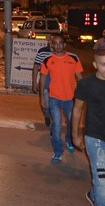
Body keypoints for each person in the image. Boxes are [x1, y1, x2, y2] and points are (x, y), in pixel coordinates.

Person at [72, 49, 105, 206]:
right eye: (103, 64)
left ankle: (93, 195)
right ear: (95, 65)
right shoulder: (86, 84)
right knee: (101, 181)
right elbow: (77, 109)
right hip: (95, 138)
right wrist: (75, 135)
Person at [39, 35, 83, 163]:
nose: (58, 45)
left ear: (64, 44)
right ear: (52, 44)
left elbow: (80, 77)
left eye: (60, 43)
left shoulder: (73, 58)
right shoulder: (47, 59)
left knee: (71, 123)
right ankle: (58, 152)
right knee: (56, 125)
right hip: (54, 98)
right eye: (55, 43)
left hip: (71, 98)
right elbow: (42, 78)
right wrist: (41, 97)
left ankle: (70, 141)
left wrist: (83, 95)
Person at [32, 36, 53, 126]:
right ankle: (47, 115)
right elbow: (36, 67)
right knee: (45, 105)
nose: (52, 42)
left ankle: (54, 128)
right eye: (51, 39)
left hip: (57, 84)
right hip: (45, 83)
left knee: (55, 107)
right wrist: (34, 82)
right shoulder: (42, 51)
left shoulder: (60, 53)